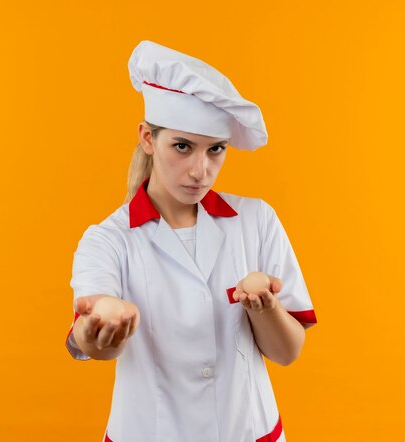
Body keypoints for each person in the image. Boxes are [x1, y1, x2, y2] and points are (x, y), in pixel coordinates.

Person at [65, 40, 317, 442]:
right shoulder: (108, 239)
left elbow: (287, 353)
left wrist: (265, 307)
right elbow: (93, 334)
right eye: (182, 147)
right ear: (148, 138)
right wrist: (98, 327)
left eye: (215, 150)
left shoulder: (257, 221)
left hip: (247, 431)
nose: (201, 171)